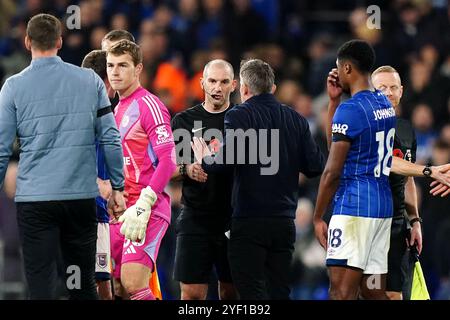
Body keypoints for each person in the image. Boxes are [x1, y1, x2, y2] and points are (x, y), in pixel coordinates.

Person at [0, 13, 125, 299]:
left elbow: (1, 148)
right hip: (80, 199)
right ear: (59, 41)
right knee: (82, 285)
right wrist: (117, 187)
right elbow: (110, 137)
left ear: (27, 41)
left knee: (41, 287)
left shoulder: (13, 87)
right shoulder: (90, 82)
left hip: (35, 201)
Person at [313, 39, 450, 300]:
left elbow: (332, 170)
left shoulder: (351, 110)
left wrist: (319, 216)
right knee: (373, 291)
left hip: (354, 208)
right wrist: (333, 103)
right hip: (382, 210)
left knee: (340, 292)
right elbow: (375, 156)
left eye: (340, 68)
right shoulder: (384, 108)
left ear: (348, 69)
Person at [192, 58, 325, 299]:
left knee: (251, 296)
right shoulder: (296, 119)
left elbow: (226, 160)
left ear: (243, 89)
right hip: (284, 221)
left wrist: (206, 158)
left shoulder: (239, 115)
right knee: (279, 293)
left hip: (249, 220)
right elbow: (315, 167)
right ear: (272, 88)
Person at [106, 39, 177, 300]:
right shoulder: (117, 108)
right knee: (114, 287)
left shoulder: (149, 105)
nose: (115, 72)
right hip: (121, 209)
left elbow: (168, 158)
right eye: (111, 65)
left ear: (138, 69)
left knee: (133, 282)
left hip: (147, 209)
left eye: (123, 65)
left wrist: (145, 203)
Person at [171, 59, 238, 300]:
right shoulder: (183, 121)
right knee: (191, 293)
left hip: (233, 217)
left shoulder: (243, 120)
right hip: (195, 216)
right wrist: (187, 169)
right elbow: (168, 170)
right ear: (202, 83)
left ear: (234, 85)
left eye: (223, 82)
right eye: (212, 81)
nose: (217, 88)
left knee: (231, 291)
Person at [371, 65, 421, 300]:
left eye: (393, 87)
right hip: (367, 223)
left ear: (401, 91)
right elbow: (387, 162)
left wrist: (415, 221)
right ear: (371, 93)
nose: (389, 93)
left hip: (397, 227)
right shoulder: (365, 127)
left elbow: (407, 178)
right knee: (365, 292)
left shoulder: (406, 129)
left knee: (394, 294)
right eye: (382, 88)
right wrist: (430, 171)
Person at [81, 49, 115, 300]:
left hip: (97, 210)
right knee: (99, 283)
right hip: (94, 211)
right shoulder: (89, 115)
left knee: (100, 280)